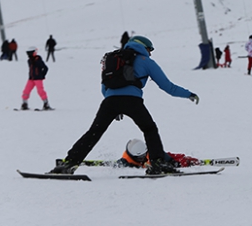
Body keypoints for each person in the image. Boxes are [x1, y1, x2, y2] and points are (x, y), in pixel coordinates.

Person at [49, 35, 200, 175]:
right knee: (149, 129)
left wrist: (115, 107)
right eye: (149, 50)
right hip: (133, 101)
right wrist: (189, 94)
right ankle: (158, 164)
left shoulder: (112, 60)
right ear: (143, 47)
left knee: (94, 132)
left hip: (109, 102)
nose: (150, 54)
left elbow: (105, 87)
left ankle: (68, 164)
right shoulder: (145, 61)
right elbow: (168, 86)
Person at [116, 139, 201, 169]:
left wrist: (176, 163)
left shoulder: (151, 153)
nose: (143, 158)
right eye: (140, 157)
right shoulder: (126, 160)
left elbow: (168, 157)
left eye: (144, 155)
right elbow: (118, 165)